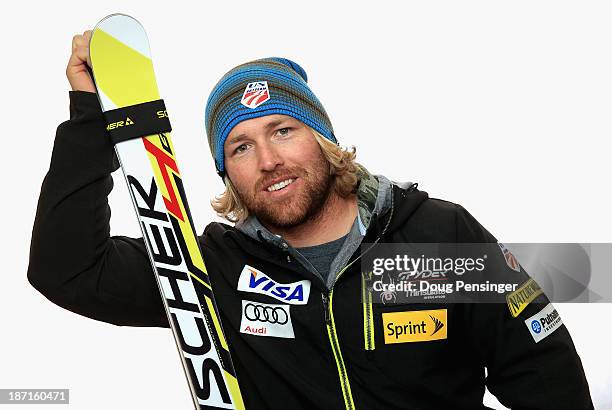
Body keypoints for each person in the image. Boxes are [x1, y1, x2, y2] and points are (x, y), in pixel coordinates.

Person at [27, 30, 594, 410]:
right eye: (241, 148)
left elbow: (541, 370)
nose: (268, 159)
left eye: (282, 130)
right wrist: (90, 119)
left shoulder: (437, 236)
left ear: (322, 141)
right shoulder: (209, 273)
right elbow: (67, 269)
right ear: (227, 175)